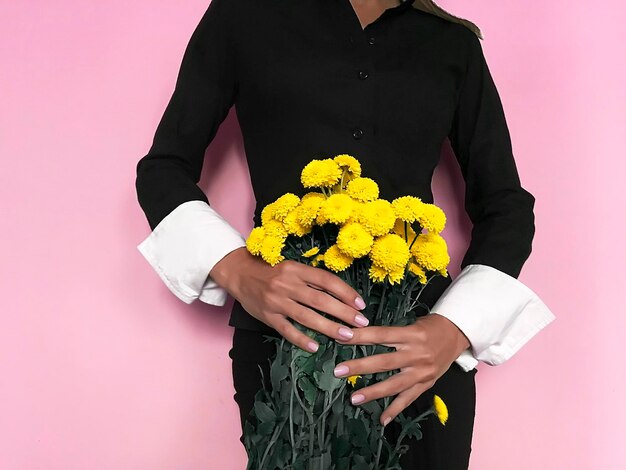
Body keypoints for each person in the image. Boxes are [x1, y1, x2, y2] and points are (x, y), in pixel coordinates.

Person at [134, 0, 555, 467]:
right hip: (284, 340)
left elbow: (507, 206)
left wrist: (454, 329)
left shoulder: (451, 42)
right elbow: (162, 170)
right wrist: (238, 270)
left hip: (418, 351)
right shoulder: (244, 15)